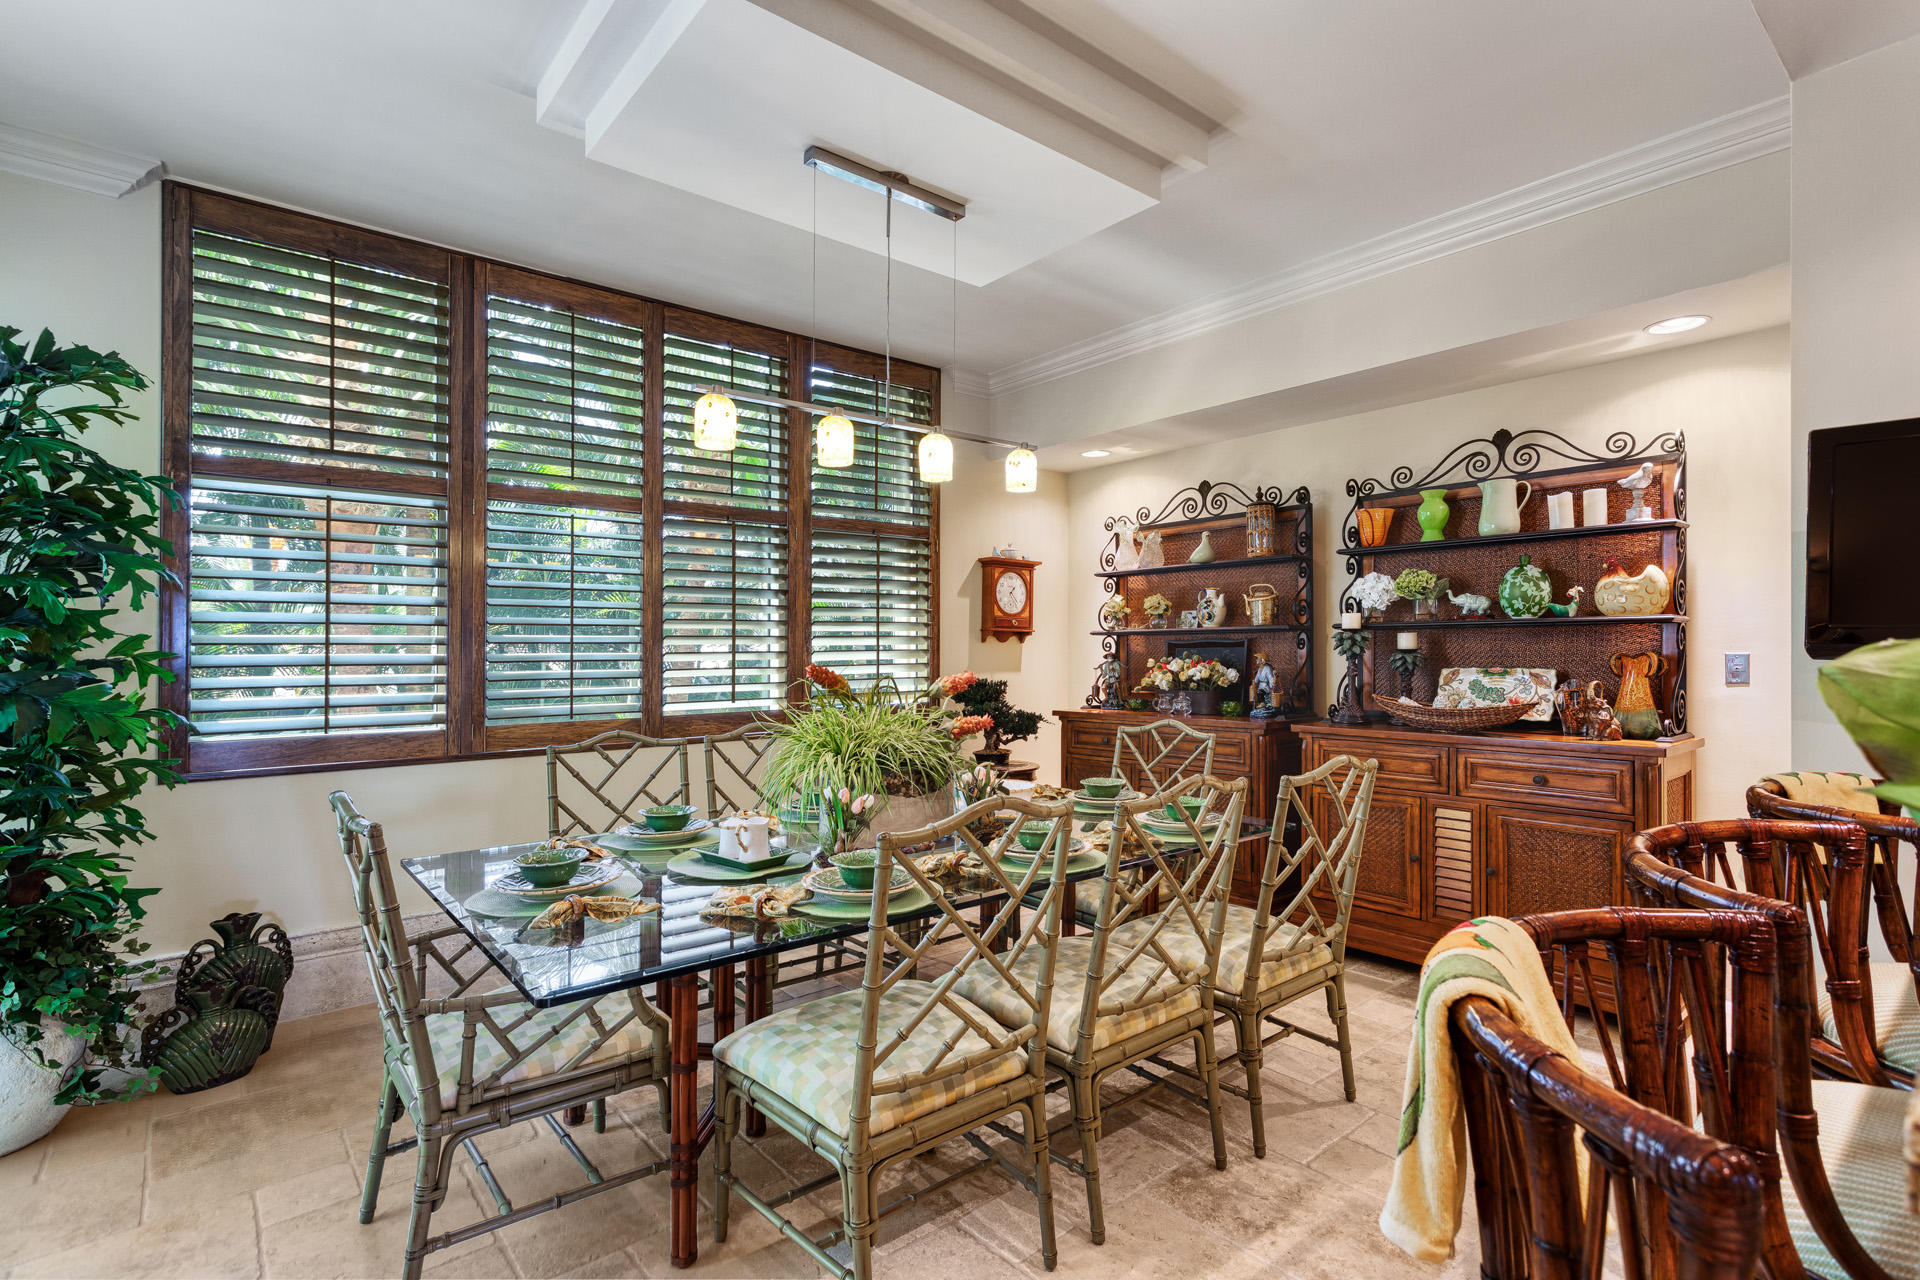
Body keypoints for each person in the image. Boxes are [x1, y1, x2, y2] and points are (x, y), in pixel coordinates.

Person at [1249, 652, 1276, 717]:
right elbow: (1257, 678)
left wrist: (1272, 687)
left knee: (1259, 692)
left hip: (1266, 686)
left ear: (1262, 660)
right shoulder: (1260, 668)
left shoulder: (1267, 668)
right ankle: (1260, 703)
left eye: (1257, 659)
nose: (1256, 660)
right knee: (1256, 692)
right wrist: (1254, 683)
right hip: (1261, 685)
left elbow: (1270, 678)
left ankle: (1263, 703)